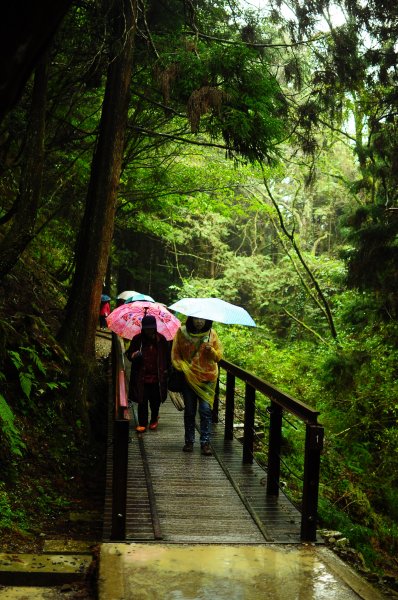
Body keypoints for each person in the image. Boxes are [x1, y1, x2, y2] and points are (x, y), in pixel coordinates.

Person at [171, 316, 222, 456]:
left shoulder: (212, 334)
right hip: (189, 378)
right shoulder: (182, 333)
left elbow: (218, 357)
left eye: (203, 319)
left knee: (205, 411)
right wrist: (183, 366)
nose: (200, 322)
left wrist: (211, 351)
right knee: (190, 411)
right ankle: (189, 441)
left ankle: (205, 443)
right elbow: (175, 355)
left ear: (207, 320)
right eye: (196, 319)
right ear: (191, 319)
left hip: (209, 377)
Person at [126, 315, 170, 432]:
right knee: (142, 400)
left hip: (158, 377)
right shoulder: (137, 339)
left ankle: (154, 419)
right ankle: (142, 423)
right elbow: (129, 354)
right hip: (142, 376)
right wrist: (133, 355)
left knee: (155, 401)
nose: (149, 331)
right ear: (143, 328)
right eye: (147, 328)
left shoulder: (161, 340)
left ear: (155, 328)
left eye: (151, 328)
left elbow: (168, 357)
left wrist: (167, 371)